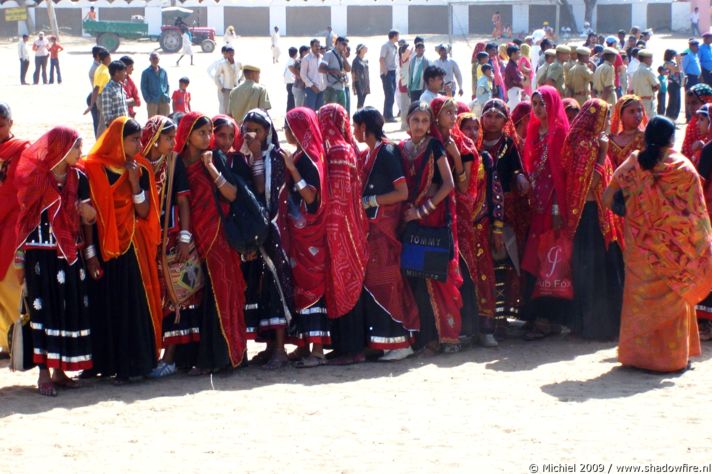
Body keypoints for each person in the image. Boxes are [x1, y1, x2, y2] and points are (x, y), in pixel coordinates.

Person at [604, 116, 712, 373]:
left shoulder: (632, 164)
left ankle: (636, 357)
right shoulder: (683, 168)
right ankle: (672, 360)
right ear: (671, 139)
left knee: (638, 303)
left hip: (640, 250)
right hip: (674, 253)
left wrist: (634, 213)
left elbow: (609, 198)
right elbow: (697, 215)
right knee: (673, 303)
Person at [80, 117, 162, 381]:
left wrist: (135, 182)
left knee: (131, 304)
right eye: (133, 140)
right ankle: (103, 362)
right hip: (103, 248)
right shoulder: (92, 169)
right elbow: (88, 216)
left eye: (139, 139)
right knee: (103, 303)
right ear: (118, 140)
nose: (139, 144)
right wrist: (90, 254)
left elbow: (144, 210)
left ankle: (133, 365)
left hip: (131, 247)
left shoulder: (142, 168)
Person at [15, 127, 94, 396]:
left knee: (67, 308)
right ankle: (44, 373)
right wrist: (19, 259)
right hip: (41, 253)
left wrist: (87, 213)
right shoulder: (37, 178)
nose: (80, 153)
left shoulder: (79, 177)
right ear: (61, 149)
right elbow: (24, 218)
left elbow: (90, 216)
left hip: (70, 254)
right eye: (76, 148)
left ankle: (60, 370)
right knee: (43, 310)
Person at [175, 113, 247, 373]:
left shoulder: (214, 158)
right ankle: (190, 357)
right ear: (187, 135)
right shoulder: (178, 163)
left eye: (209, 133)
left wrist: (211, 169)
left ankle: (223, 357)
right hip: (190, 239)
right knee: (194, 296)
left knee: (222, 292)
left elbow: (232, 194)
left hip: (218, 236)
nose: (208, 138)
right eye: (202, 133)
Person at [351, 107, 419, 360]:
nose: (353, 131)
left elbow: (401, 192)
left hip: (386, 231)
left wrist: (371, 201)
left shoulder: (387, 152)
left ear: (365, 128)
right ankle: (384, 343)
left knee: (388, 282)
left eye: (355, 126)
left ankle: (401, 344)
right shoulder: (370, 153)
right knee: (376, 283)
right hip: (372, 233)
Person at [135, 116, 194, 378]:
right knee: (150, 296)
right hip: (144, 240)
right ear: (154, 140)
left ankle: (170, 358)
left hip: (169, 239)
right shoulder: (140, 165)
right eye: (168, 139)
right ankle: (150, 354)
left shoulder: (174, 163)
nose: (174, 143)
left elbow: (182, 203)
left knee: (175, 296)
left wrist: (184, 237)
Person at [399, 101, 461, 355]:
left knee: (435, 279)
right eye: (415, 120)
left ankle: (444, 337)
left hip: (431, 220)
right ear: (407, 121)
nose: (420, 126)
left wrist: (421, 211)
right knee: (412, 278)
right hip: (408, 222)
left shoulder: (434, 146)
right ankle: (420, 338)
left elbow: (448, 184)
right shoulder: (400, 149)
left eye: (425, 121)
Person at [235, 110, 294, 370]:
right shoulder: (246, 156)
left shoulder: (274, 157)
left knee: (276, 286)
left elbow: (262, 190)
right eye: (246, 129)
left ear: (267, 132)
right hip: (258, 233)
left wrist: (257, 155)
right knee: (262, 289)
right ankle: (270, 346)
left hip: (275, 231)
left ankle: (280, 348)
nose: (251, 135)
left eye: (256, 130)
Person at [561, 99, 624, 341]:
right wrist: (603, 153)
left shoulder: (587, 141)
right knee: (596, 272)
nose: (608, 123)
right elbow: (592, 183)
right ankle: (597, 327)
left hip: (594, 214)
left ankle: (588, 326)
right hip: (589, 217)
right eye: (606, 118)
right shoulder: (587, 145)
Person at [313, 104, 369, 366]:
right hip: (351, 226)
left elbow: (339, 194)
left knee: (345, 285)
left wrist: (331, 230)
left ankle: (352, 348)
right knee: (341, 287)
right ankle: (343, 345)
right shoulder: (349, 147)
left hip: (341, 229)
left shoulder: (336, 149)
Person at [429, 98, 482, 347]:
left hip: (456, 216)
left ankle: (464, 328)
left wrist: (455, 158)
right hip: (429, 217)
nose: (452, 116)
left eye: (453, 112)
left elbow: (463, 186)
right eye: (446, 112)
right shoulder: (427, 143)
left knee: (460, 267)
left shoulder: (463, 145)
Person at [280, 107, 330, 367]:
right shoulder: (302, 155)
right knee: (300, 287)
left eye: (289, 127)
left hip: (311, 234)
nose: (286, 132)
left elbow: (311, 198)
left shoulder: (309, 159)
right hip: (299, 235)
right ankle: (303, 345)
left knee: (313, 287)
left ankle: (318, 350)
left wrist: (292, 169)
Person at [477, 99, 530, 338]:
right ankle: (482, 316)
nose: (492, 119)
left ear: (506, 121)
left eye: (498, 116)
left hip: (505, 212)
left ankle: (500, 317)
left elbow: (517, 170)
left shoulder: (509, 144)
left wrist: (520, 179)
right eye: (488, 114)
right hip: (479, 210)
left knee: (501, 262)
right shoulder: (474, 142)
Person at [521, 86, 571, 340]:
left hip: (552, 205)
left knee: (550, 258)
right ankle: (535, 315)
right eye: (535, 104)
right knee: (535, 256)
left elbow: (561, 174)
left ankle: (548, 318)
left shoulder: (560, 132)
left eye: (543, 103)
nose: (539, 108)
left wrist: (556, 209)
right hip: (536, 203)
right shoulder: (533, 131)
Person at [0, 103, 29, 356]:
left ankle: (15, 343)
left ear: (10, 123)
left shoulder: (21, 150)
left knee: (10, 285)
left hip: (12, 225)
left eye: (1, 124)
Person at [693, 104, 712, 340]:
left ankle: (706, 323)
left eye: (702, 120)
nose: (697, 124)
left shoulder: (708, 150)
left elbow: (697, 185)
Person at [608, 95, 647, 169]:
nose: (637, 115)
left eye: (639, 110)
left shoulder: (645, 138)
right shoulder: (609, 141)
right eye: (631, 111)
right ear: (620, 115)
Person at [100, 61, 132, 130]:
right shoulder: (108, 89)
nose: (125, 74)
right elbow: (108, 117)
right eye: (124, 71)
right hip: (116, 128)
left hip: (124, 126)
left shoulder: (120, 86)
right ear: (117, 73)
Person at [682, 84, 712, 159]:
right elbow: (685, 152)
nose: (690, 107)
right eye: (688, 103)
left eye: (694, 103)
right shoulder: (691, 125)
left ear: (707, 102)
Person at [319, 36, 351, 107]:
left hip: (341, 88)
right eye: (344, 44)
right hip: (331, 89)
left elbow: (348, 69)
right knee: (332, 112)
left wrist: (344, 57)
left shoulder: (342, 55)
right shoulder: (329, 54)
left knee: (342, 113)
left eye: (346, 45)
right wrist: (333, 71)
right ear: (338, 43)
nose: (345, 47)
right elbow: (320, 69)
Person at [212, 46, 242, 116]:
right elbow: (216, 76)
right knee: (226, 108)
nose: (231, 54)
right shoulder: (222, 64)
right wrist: (220, 87)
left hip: (236, 88)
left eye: (232, 52)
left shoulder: (238, 63)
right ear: (226, 54)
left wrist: (240, 79)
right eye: (229, 53)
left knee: (237, 107)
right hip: (226, 89)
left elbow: (244, 70)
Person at [141, 52, 171, 118]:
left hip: (164, 100)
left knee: (165, 121)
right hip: (152, 101)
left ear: (159, 59)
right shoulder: (146, 72)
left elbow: (167, 85)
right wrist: (148, 99)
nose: (155, 60)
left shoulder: (163, 71)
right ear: (150, 59)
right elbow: (143, 87)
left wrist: (167, 95)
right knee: (153, 122)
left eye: (156, 58)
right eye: (153, 58)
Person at [631, 50, 658, 118]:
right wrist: (652, 89)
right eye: (651, 58)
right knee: (649, 121)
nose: (652, 60)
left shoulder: (636, 72)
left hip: (637, 100)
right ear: (646, 59)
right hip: (647, 101)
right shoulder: (647, 70)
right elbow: (657, 85)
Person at [300, 39, 325, 111]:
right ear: (311, 46)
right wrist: (312, 86)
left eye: (319, 46)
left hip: (321, 89)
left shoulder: (322, 57)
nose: (318, 48)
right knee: (310, 111)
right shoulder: (306, 58)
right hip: (311, 90)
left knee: (319, 112)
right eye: (316, 46)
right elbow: (303, 75)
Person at [380, 30, 399, 122]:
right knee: (389, 94)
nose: (398, 37)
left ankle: (388, 114)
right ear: (394, 36)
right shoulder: (386, 46)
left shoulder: (395, 47)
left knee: (391, 94)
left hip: (393, 72)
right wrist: (385, 72)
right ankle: (387, 115)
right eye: (397, 35)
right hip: (387, 73)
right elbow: (381, 59)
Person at [663, 49, 683, 121]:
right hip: (672, 84)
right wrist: (678, 60)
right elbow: (677, 69)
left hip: (677, 84)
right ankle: (669, 119)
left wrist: (678, 61)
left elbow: (680, 70)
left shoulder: (672, 62)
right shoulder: (667, 63)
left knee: (677, 103)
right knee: (673, 103)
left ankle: (674, 119)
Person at [504, 44, 524, 110]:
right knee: (515, 109)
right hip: (514, 91)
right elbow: (519, 80)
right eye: (518, 53)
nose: (520, 55)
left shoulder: (514, 65)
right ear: (513, 54)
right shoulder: (512, 67)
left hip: (515, 90)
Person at [352, 44, 370, 110]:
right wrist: (353, 85)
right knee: (360, 99)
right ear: (361, 49)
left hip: (365, 82)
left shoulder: (365, 60)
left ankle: (360, 112)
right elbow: (353, 73)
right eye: (364, 47)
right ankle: (359, 114)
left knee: (363, 99)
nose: (366, 48)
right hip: (358, 82)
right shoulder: (356, 60)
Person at [285, 47, 298, 111]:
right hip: (292, 83)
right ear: (296, 54)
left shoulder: (288, 61)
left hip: (288, 83)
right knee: (291, 102)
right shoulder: (293, 62)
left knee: (290, 101)